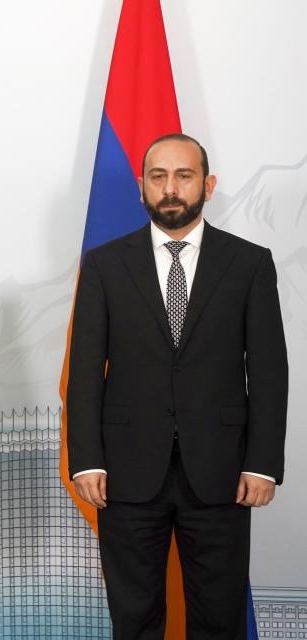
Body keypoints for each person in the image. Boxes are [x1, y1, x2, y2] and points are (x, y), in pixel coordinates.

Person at [67, 133, 288, 639]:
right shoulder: (104, 265)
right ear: (140, 187)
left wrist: (262, 463)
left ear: (207, 185)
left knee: (219, 618)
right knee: (135, 617)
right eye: (158, 176)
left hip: (222, 471)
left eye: (184, 176)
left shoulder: (250, 264)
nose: (171, 188)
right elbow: (85, 372)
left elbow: (270, 371)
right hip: (124, 473)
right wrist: (87, 459)